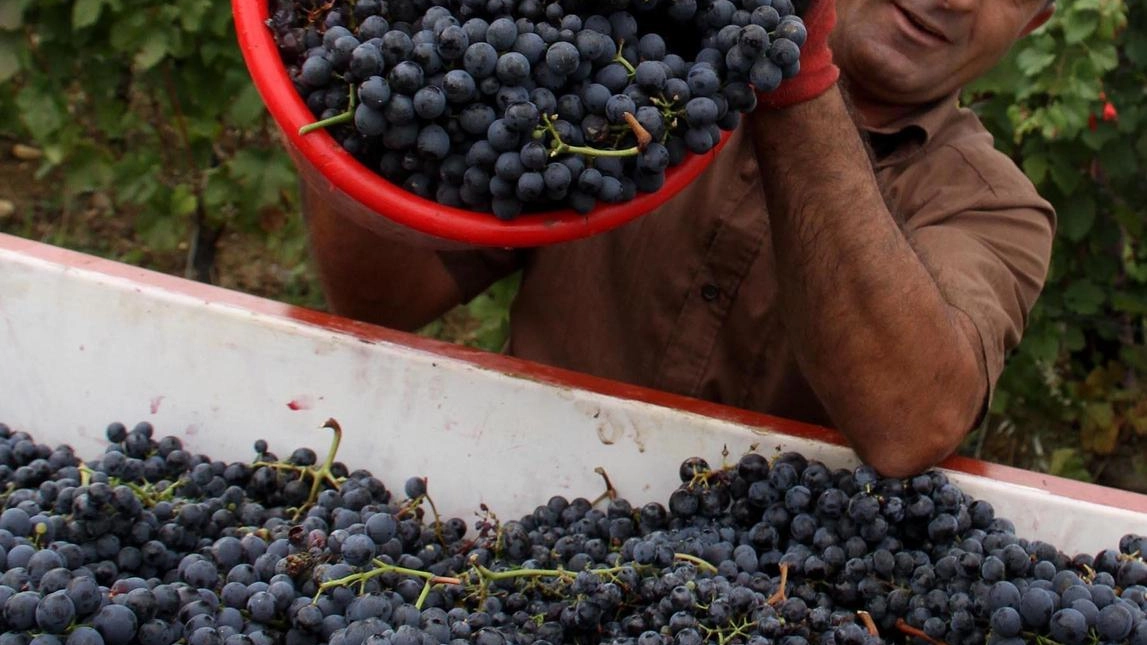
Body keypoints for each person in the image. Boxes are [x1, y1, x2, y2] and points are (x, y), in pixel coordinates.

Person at [303, 0, 1058, 477]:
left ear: (1034, 23)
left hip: (749, 599)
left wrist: (795, 74)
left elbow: (906, 424)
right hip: (504, 500)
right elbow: (382, 298)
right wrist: (356, 105)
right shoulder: (625, 68)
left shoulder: (991, 208)